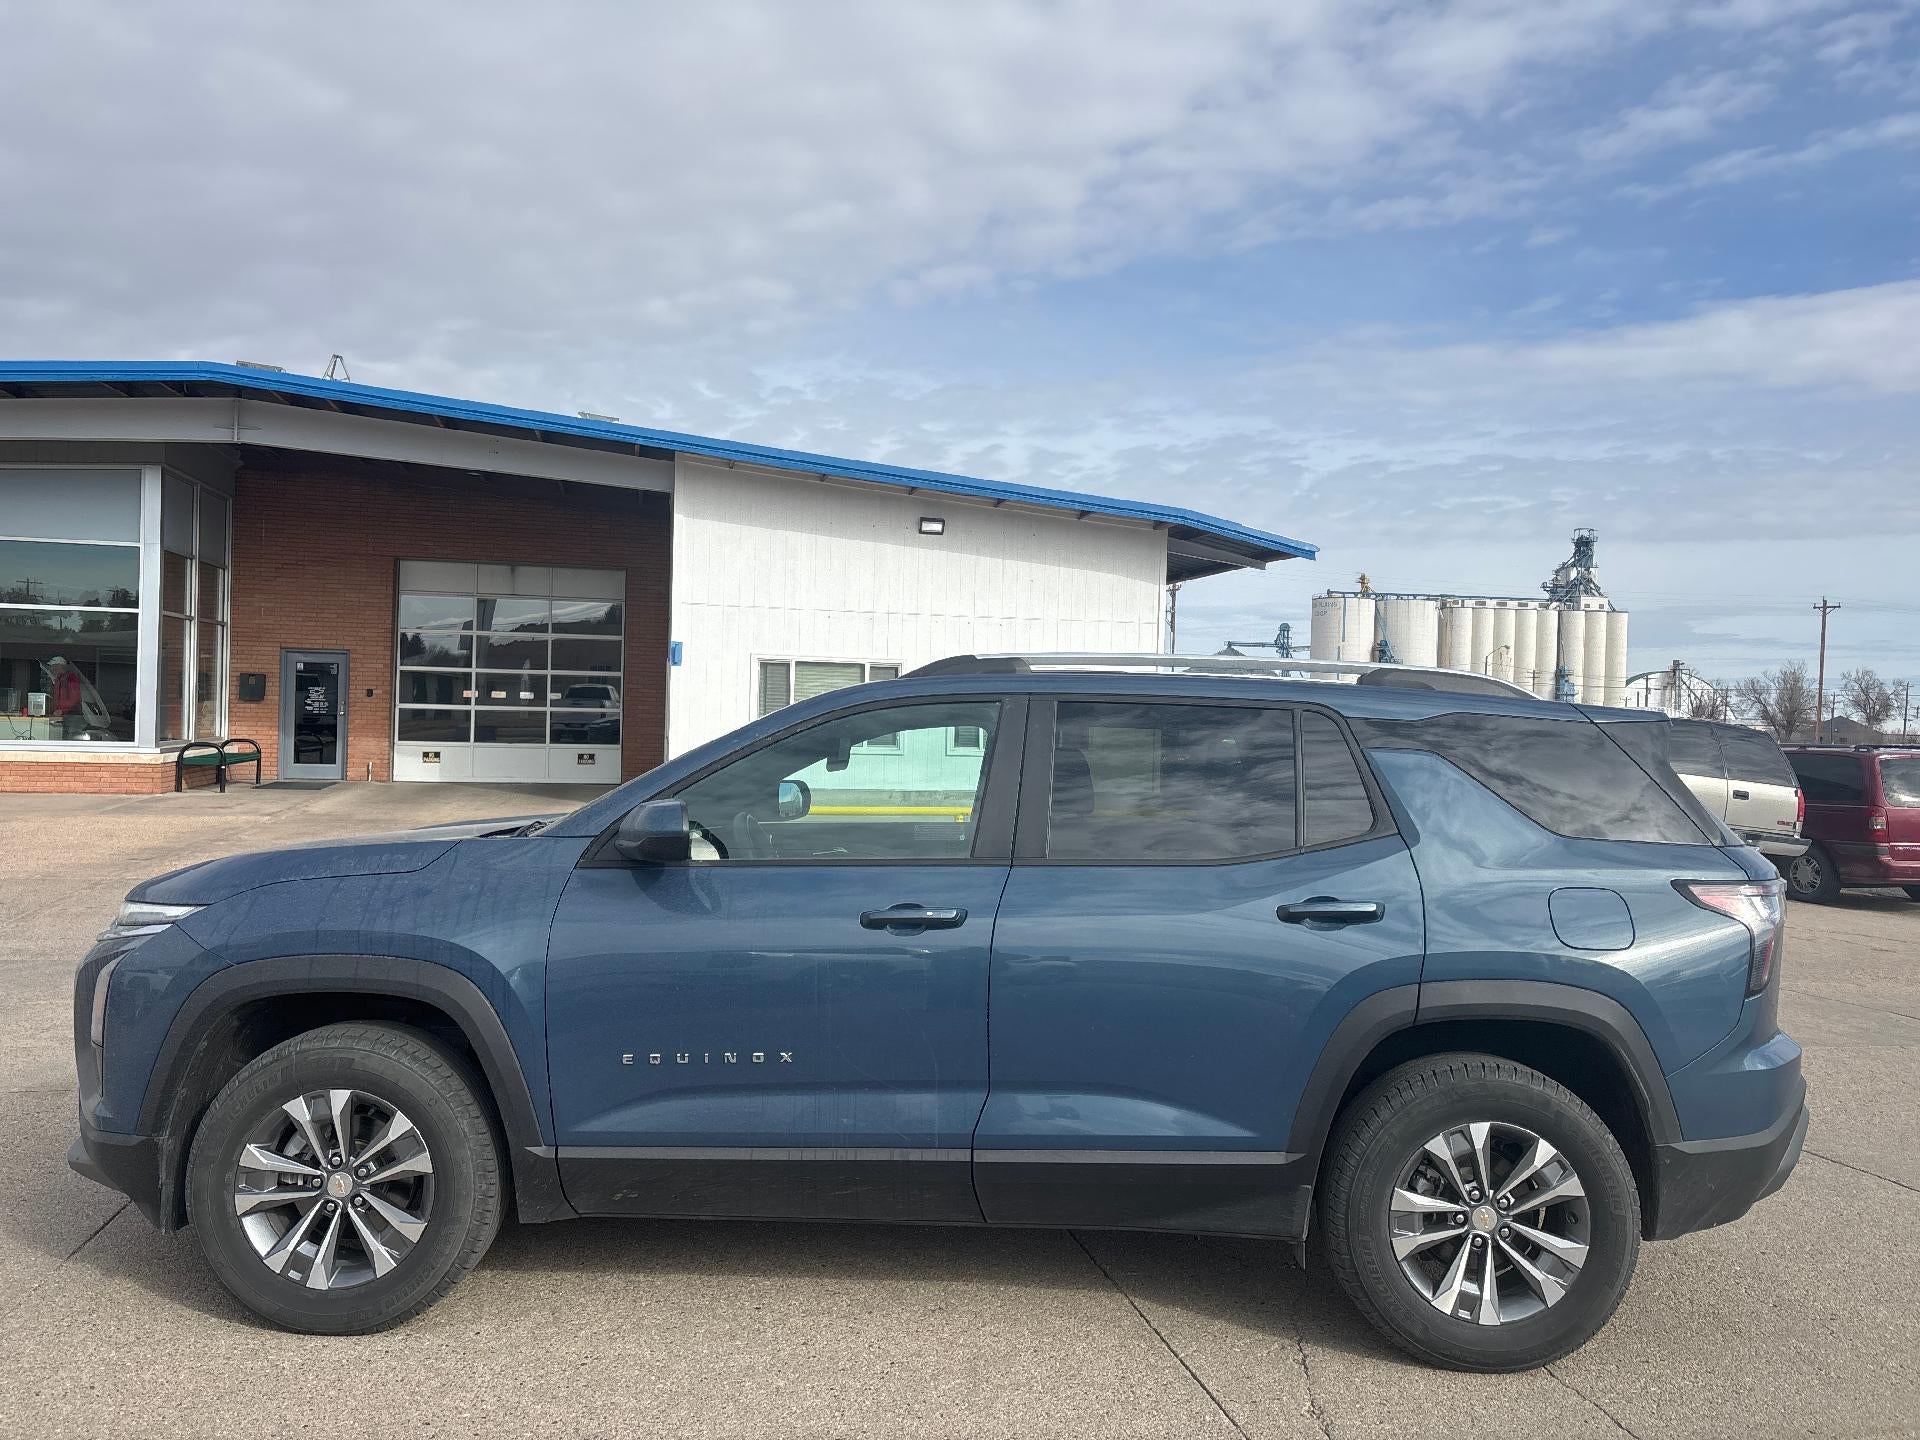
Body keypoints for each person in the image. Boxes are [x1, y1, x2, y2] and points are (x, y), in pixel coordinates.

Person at [47, 656, 87, 738]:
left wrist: (61, 710)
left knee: (72, 740)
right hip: (63, 715)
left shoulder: (70, 678)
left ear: (60, 666)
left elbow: (74, 698)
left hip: (73, 715)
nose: (52, 669)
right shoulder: (59, 679)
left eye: (53, 666)